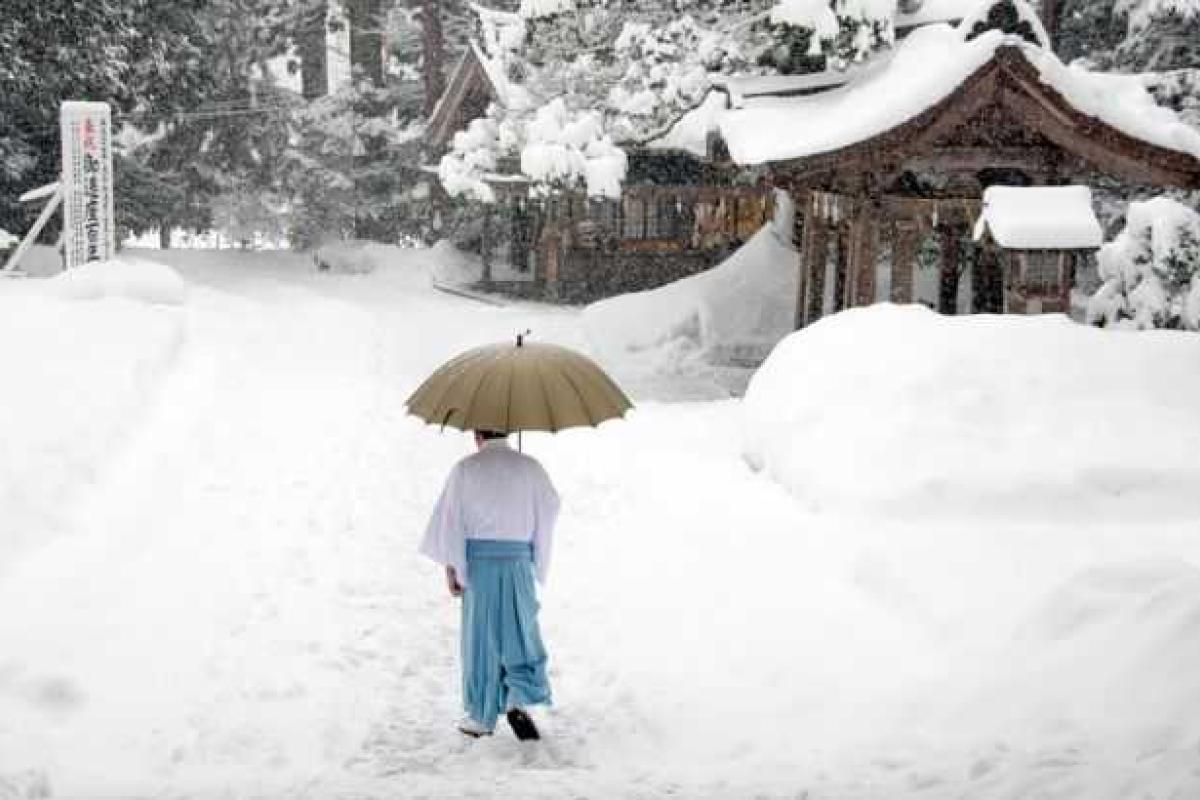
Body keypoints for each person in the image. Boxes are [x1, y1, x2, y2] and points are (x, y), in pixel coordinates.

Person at [420, 429, 561, 740]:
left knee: (481, 638)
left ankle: (481, 715)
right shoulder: (531, 467)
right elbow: (551, 508)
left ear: (476, 434)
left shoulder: (465, 469)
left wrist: (454, 568)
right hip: (517, 562)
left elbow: (450, 521)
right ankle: (519, 695)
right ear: (508, 430)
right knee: (520, 630)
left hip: (480, 564)